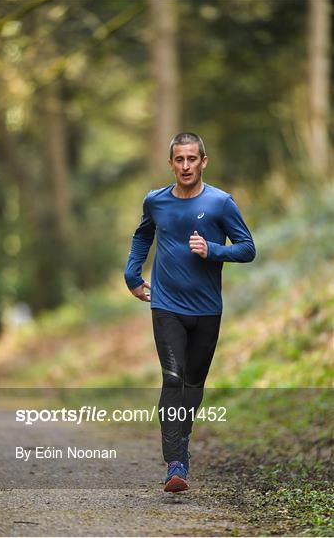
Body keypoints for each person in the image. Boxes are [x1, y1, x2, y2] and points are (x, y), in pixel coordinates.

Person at [124, 132, 256, 492]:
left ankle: (183, 442)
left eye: (192, 159)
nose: (185, 166)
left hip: (207, 309)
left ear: (203, 162)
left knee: (194, 384)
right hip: (165, 304)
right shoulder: (156, 201)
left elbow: (247, 248)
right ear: (170, 164)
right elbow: (142, 237)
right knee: (172, 378)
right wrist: (132, 274)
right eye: (179, 160)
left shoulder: (220, 203)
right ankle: (175, 463)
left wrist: (213, 250)